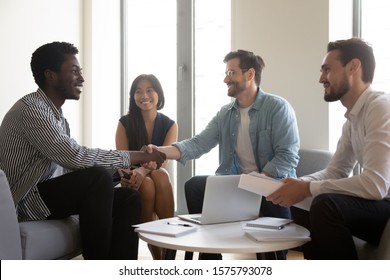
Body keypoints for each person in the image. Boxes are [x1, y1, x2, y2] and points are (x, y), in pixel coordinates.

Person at [0, 41, 166, 260]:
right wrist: (139, 155)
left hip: (44, 194)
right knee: (95, 178)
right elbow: (75, 156)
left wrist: (117, 173)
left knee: (128, 198)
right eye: (74, 71)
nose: (82, 78)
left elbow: (68, 169)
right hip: (25, 202)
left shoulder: (57, 117)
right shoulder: (33, 111)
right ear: (51, 75)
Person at [153, 49, 300, 260]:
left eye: (231, 73)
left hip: (270, 187)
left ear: (250, 74)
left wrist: (257, 182)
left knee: (274, 247)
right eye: (226, 73)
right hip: (238, 186)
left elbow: (287, 156)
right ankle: (210, 255)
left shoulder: (278, 108)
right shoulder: (225, 114)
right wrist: (160, 151)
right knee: (194, 185)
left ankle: (272, 256)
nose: (225, 79)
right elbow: (198, 144)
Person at [267, 38, 390, 259]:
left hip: (385, 206)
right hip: (378, 206)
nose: (321, 78)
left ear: (353, 67)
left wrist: (309, 189)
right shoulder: (352, 120)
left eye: (327, 69)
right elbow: (335, 171)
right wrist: (299, 185)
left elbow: (376, 184)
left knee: (326, 204)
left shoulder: (380, 108)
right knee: (299, 203)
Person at [115, 74, 178, 259]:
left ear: (158, 94)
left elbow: (162, 160)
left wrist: (144, 170)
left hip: (156, 173)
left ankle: (168, 249)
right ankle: (159, 255)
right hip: (130, 175)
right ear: (133, 96)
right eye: (138, 91)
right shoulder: (124, 123)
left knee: (160, 175)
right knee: (148, 184)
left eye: (150, 90)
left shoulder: (170, 124)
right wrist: (135, 173)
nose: (144, 95)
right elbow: (122, 159)